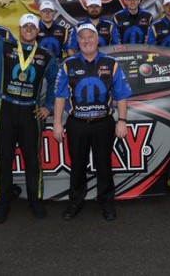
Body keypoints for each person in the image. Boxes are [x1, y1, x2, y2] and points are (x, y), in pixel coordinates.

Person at [0, 8, 58, 224]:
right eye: (25, 26)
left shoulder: (46, 56)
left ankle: (36, 200)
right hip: (5, 110)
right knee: (3, 159)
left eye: (32, 26)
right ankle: (2, 202)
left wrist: (49, 105)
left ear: (37, 31)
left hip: (31, 112)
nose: (29, 29)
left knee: (33, 161)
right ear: (19, 30)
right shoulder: (3, 46)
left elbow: (57, 82)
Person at [53, 23, 132, 221]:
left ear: (98, 40)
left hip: (103, 123)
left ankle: (106, 201)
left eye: (90, 37)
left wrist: (122, 120)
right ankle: (76, 201)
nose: (87, 40)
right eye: (82, 37)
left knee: (104, 164)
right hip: (76, 123)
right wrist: (57, 123)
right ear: (77, 41)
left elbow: (121, 95)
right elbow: (60, 97)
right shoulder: (67, 64)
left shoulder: (111, 63)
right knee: (78, 164)